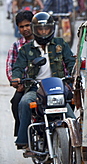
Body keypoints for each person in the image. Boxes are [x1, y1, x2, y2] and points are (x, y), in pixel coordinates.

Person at [11, 12, 75, 150]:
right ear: (35, 30)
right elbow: (18, 67)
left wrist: (74, 74)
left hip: (58, 87)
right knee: (24, 102)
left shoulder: (60, 44)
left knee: (71, 116)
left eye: (46, 28)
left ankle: (79, 143)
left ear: (52, 29)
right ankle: (23, 139)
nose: (44, 32)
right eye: (40, 29)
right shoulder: (26, 49)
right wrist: (16, 78)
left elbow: (71, 62)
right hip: (36, 88)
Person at [6, 11, 34, 136]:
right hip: (25, 85)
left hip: (46, 84)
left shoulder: (44, 42)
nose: (25, 29)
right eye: (22, 27)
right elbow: (10, 67)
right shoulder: (17, 46)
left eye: (28, 25)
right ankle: (23, 135)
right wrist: (16, 82)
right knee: (17, 103)